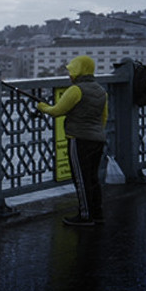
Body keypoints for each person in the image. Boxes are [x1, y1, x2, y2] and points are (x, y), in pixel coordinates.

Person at [37, 55, 108, 227]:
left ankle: (85, 216)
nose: (69, 75)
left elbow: (57, 111)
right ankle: (97, 213)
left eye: (71, 71)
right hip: (98, 139)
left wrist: (42, 107)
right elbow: (103, 118)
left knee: (81, 179)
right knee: (92, 178)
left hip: (79, 139)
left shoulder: (76, 90)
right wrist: (96, 132)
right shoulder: (101, 90)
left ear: (79, 70)